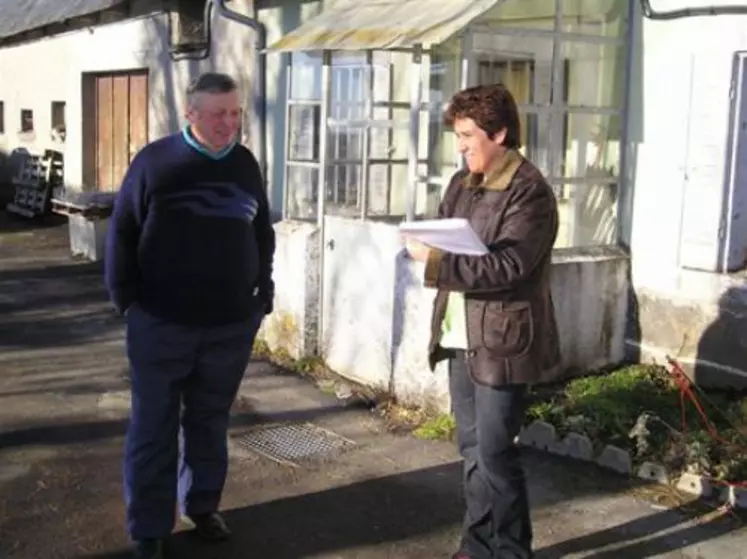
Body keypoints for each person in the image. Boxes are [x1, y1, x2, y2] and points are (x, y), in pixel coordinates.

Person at [105, 72, 275, 559]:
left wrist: (263, 291)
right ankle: (149, 529)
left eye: (235, 112)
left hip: (229, 324)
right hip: (162, 322)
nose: (228, 122)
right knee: (153, 426)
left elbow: (262, 231)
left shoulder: (245, 163)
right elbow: (122, 233)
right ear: (190, 114)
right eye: (218, 113)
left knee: (208, 420)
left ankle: (201, 505)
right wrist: (125, 299)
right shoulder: (156, 163)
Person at [403, 84, 562, 559]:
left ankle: (512, 552)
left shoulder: (530, 192)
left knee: (495, 454)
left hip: (502, 341)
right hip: (459, 335)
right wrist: (433, 244)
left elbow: (508, 267)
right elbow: (452, 238)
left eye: (469, 135)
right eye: (458, 135)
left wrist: (434, 262)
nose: (462, 145)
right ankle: (476, 546)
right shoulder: (461, 182)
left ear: (500, 133)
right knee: (471, 452)